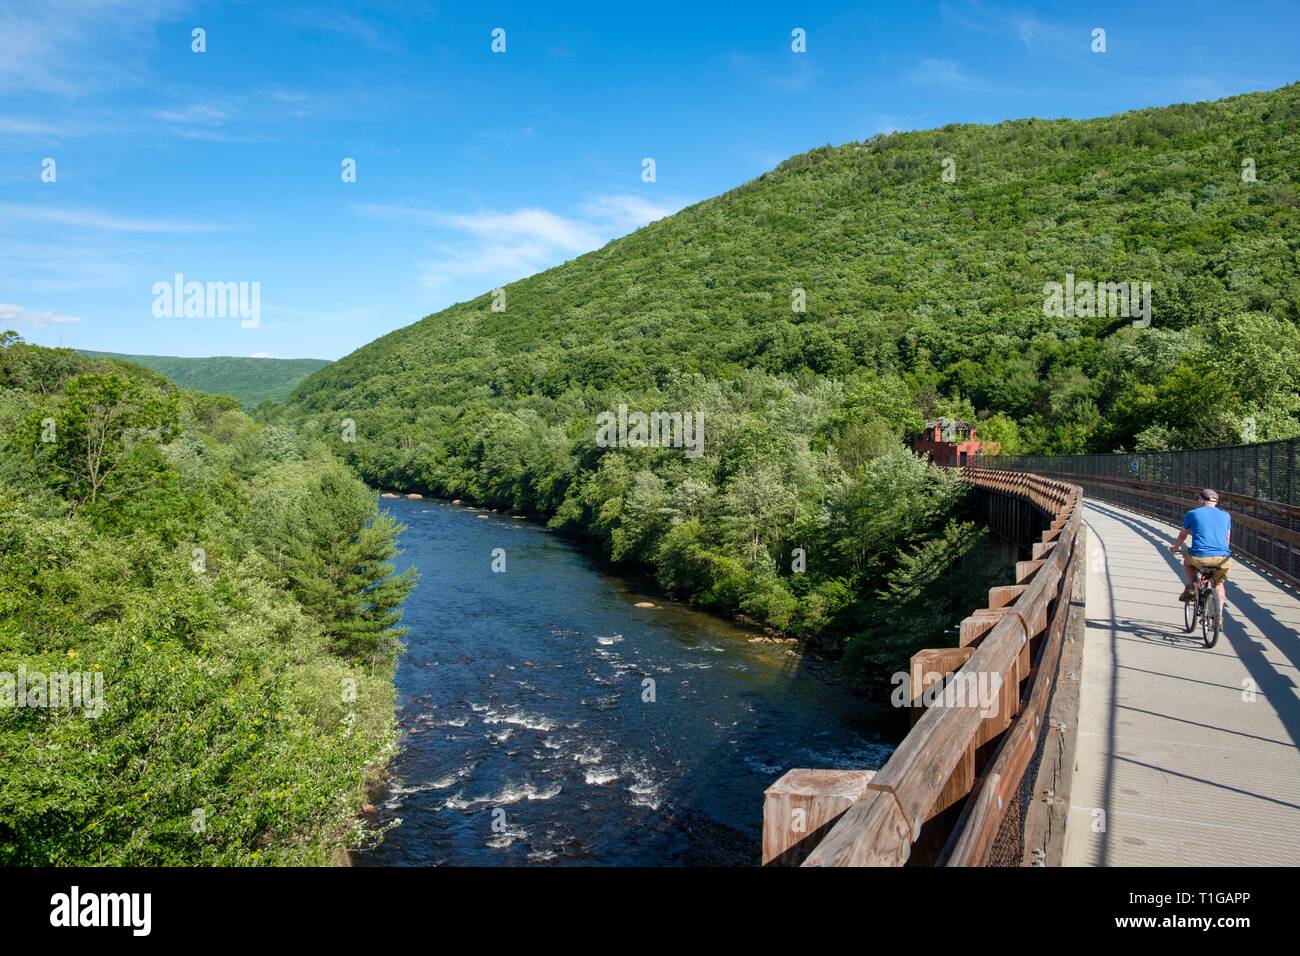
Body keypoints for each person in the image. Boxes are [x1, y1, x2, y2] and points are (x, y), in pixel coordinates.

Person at [1169, 488, 1231, 612]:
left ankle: (1190, 585)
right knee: (1219, 584)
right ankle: (1218, 617)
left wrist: (1175, 548)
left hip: (1200, 556)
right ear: (1216, 502)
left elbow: (1183, 535)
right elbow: (1227, 538)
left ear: (1201, 500)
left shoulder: (1193, 513)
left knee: (1187, 561)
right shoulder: (1226, 515)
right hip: (1222, 558)